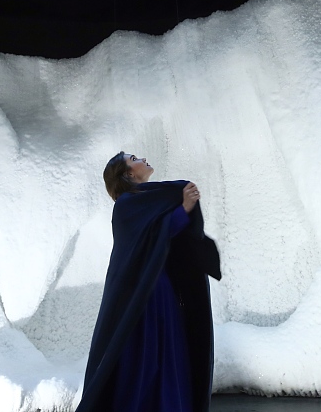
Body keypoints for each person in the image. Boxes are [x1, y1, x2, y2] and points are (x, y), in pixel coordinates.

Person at [75, 151, 221, 412]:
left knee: (167, 355)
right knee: (145, 359)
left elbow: (163, 238)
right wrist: (184, 209)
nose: (142, 159)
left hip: (159, 292)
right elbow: (155, 236)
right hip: (142, 297)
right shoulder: (125, 205)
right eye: (134, 159)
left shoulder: (148, 201)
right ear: (128, 173)